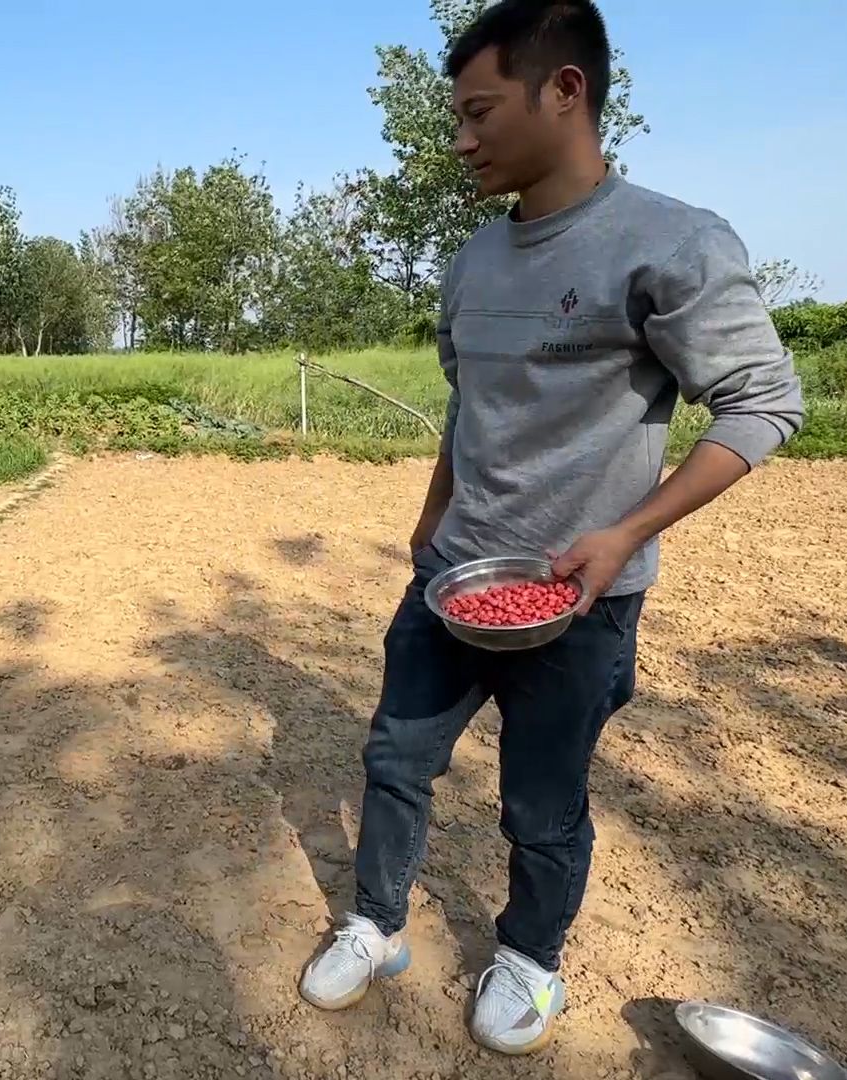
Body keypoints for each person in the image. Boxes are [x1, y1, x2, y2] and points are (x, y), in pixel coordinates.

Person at [297, 0, 804, 1056]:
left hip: (583, 597)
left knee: (542, 799)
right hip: (456, 575)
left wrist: (625, 533)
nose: (462, 138)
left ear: (564, 91)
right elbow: (468, 403)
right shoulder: (475, 261)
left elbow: (762, 405)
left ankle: (530, 956)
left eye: (481, 112)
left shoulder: (673, 243)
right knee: (395, 758)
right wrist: (433, 515)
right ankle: (378, 924)